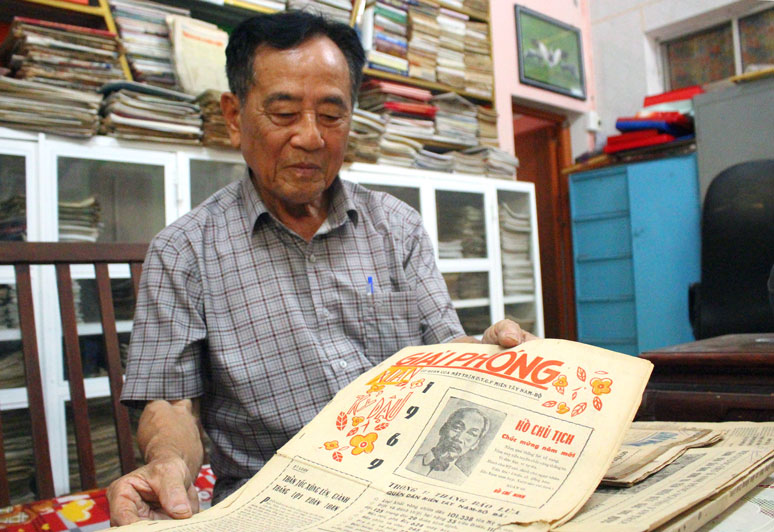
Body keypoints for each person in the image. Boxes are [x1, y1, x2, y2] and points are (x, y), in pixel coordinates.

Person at [107, 10, 536, 526]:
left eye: (331, 116)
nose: (310, 138)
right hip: (279, 505)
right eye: (284, 113)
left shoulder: (395, 226)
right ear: (232, 114)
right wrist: (169, 461)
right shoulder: (183, 251)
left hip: (412, 489)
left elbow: (444, 356)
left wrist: (489, 355)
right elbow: (172, 406)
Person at [407, 407, 489, 484]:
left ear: (476, 443)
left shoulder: (461, 481)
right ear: (443, 428)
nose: (459, 438)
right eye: (457, 428)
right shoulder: (409, 461)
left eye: (471, 434)